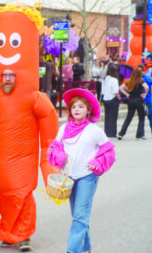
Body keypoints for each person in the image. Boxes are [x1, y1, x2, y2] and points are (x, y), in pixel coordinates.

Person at [0, 4, 58, 252]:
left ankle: (22, 234)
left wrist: (49, 159)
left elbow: (49, 126)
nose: (7, 78)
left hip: (24, 157)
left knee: (21, 194)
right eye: (5, 76)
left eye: (12, 75)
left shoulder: (34, 97)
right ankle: (9, 232)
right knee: (3, 194)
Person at [48, 88, 116, 253]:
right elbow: (53, 148)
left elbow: (109, 152)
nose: (77, 110)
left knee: (80, 216)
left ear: (88, 111)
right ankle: (86, 247)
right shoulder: (63, 128)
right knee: (77, 216)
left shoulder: (95, 131)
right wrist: (60, 156)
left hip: (87, 177)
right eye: (73, 107)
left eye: (81, 107)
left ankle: (73, 251)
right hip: (69, 178)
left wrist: (97, 162)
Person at [118, 68, 149, 140]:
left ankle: (121, 134)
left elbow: (121, 88)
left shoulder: (130, 80)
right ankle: (139, 135)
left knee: (128, 118)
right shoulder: (141, 80)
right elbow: (146, 87)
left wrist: (126, 94)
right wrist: (145, 94)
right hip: (139, 100)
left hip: (131, 100)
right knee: (141, 118)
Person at [102, 65, 120, 138]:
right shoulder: (114, 80)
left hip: (106, 98)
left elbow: (102, 91)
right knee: (113, 117)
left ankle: (107, 132)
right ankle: (112, 132)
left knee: (107, 117)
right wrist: (119, 98)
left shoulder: (105, 79)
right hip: (112, 99)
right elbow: (115, 91)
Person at [140, 66, 152, 137]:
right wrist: (151, 97)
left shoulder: (138, 79)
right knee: (151, 117)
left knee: (141, 118)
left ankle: (142, 134)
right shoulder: (149, 78)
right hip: (149, 100)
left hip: (141, 100)